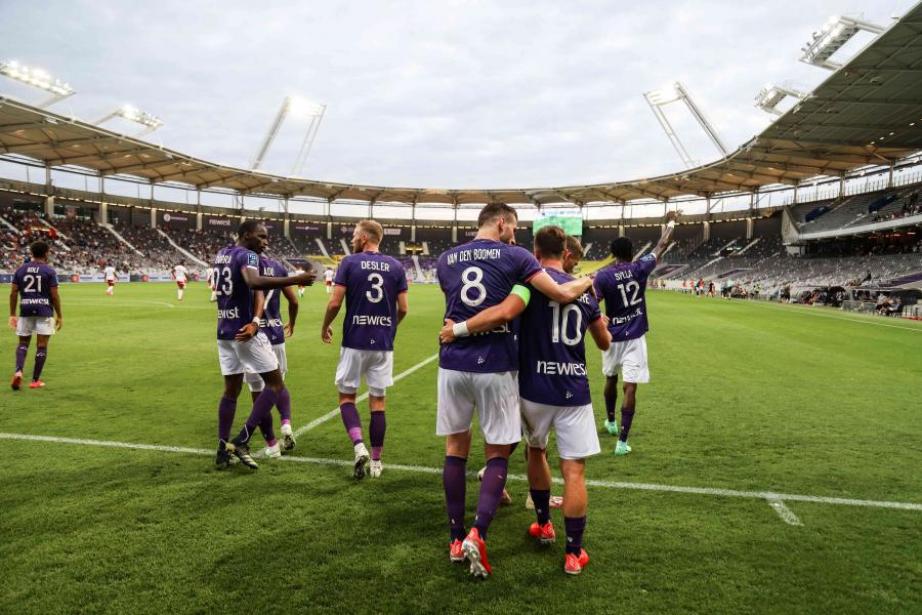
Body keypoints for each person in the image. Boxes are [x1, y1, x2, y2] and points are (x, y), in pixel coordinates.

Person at [434, 202, 593, 579]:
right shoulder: (517, 256)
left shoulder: (445, 259)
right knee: (497, 452)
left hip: (451, 363)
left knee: (455, 450)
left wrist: (456, 330)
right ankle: (479, 531)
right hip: (496, 363)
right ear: (502, 223)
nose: (516, 234)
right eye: (514, 227)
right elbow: (555, 293)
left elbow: (454, 305)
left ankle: (455, 539)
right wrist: (589, 281)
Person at [212, 221, 315, 470]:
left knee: (231, 391)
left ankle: (222, 450)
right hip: (244, 332)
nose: (265, 242)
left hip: (224, 331)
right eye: (261, 237)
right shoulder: (248, 255)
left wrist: (258, 318)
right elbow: (253, 283)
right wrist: (295, 278)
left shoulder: (222, 254)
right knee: (276, 384)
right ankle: (242, 440)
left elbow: (252, 289)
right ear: (246, 235)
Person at [321, 220, 408, 479]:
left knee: (347, 397)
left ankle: (359, 448)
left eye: (355, 235)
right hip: (383, 343)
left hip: (354, 341)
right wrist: (389, 328)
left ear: (365, 237)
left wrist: (325, 326)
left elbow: (335, 302)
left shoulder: (349, 262)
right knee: (378, 403)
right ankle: (377, 461)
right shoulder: (396, 266)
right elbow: (403, 308)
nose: (352, 240)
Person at [594, 211, 677, 455]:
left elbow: (593, 301)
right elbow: (661, 245)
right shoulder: (640, 267)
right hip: (635, 336)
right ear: (632, 253)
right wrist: (671, 222)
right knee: (630, 387)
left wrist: (599, 317)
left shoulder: (603, 275)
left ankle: (610, 420)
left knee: (610, 378)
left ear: (613, 254)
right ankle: (622, 442)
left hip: (611, 337)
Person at [243, 253, 299, 457]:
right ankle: (286, 424)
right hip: (276, 334)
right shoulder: (277, 266)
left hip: (253, 335)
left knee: (257, 390)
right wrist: (291, 323)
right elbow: (293, 301)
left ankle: (272, 444)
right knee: (277, 385)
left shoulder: (244, 266)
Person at [9, 241, 62, 390]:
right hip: (44, 310)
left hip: (25, 309)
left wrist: (12, 314)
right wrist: (60, 315)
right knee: (41, 346)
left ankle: (18, 371)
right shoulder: (49, 271)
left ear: (31, 253)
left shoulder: (21, 270)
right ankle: (35, 380)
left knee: (23, 343)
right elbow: (55, 295)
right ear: (46, 253)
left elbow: (13, 292)